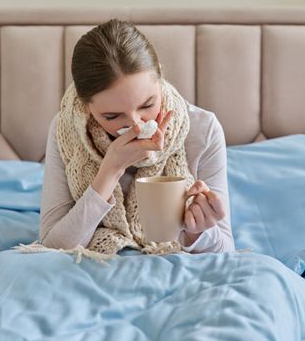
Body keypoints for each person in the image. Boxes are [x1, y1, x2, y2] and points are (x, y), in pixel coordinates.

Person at [38, 19, 235, 256]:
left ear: (160, 75)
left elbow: (226, 251)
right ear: (85, 106)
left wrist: (197, 233)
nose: (136, 124)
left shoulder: (203, 129)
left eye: (148, 104)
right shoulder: (65, 130)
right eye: (112, 116)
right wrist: (110, 171)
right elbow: (51, 246)